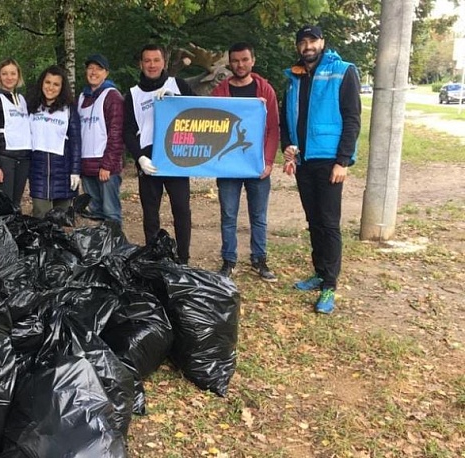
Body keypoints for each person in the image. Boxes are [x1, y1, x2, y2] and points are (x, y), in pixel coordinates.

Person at [280, 25, 361, 314]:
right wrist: (287, 149)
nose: (307, 46)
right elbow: (286, 120)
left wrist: (343, 160)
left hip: (329, 161)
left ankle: (329, 285)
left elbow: (352, 118)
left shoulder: (343, 71)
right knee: (313, 220)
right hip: (303, 161)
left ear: (322, 42)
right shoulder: (294, 77)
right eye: (302, 42)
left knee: (328, 223)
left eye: (312, 40)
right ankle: (319, 271)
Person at [210, 42, 280, 281]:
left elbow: (273, 129)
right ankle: (229, 260)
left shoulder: (265, 90)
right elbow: (210, 125)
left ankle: (259, 259)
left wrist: (268, 161)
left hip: (256, 165)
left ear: (253, 60)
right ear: (230, 62)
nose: (240, 64)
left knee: (258, 216)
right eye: (235, 60)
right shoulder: (220, 91)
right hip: (229, 165)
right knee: (228, 215)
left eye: (244, 60)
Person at [123, 44, 194, 264]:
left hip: (176, 158)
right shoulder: (132, 95)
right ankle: (153, 258)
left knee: (181, 210)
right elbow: (127, 130)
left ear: (164, 62)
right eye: (147, 61)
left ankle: (183, 259)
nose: (152, 65)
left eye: (156, 60)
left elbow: (199, 110)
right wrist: (139, 158)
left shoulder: (178, 85)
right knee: (150, 214)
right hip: (149, 161)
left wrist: (177, 100)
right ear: (141, 64)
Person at [27, 65, 81, 217]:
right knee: (40, 215)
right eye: (48, 82)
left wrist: (76, 171)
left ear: (62, 87)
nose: (51, 87)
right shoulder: (31, 106)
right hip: (38, 171)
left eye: (56, 84)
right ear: (41, 83)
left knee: (60, 220)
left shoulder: (69, 109)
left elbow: (76, 142)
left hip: (63, 172)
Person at [77, 54, 124, 224]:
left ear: (106, 73)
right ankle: (100, 248)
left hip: (105, 167)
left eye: (98, 68)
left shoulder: (112, 96)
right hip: (87, 166)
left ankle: (116, 247)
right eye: (90, 68)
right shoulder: (82, 97)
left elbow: (116, 134)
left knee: (111, 213)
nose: (93, 72)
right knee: (95, 213)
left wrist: (108, 165)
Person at [0, 59, 31, 207]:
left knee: (16, 203)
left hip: (23, 158)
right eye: (4, 74)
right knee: (4, 204)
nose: (9, 77)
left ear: (18, 76)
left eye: (13, 73)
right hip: (5, 158)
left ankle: (15, 229)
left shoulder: (22, 99)